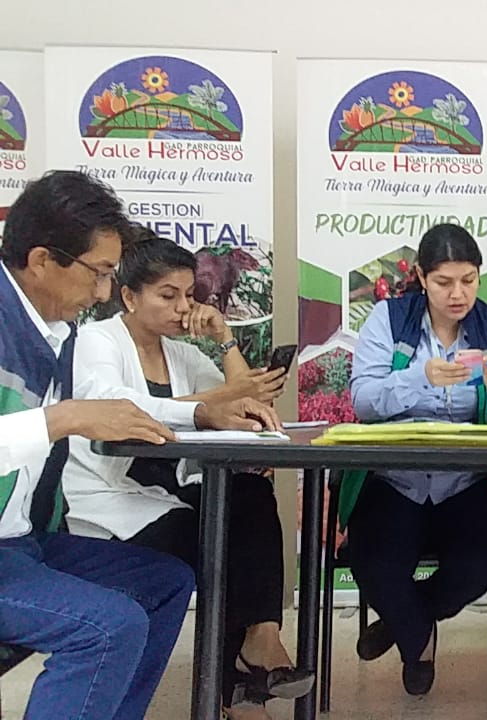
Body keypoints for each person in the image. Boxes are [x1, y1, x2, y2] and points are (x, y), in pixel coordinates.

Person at [0, 170, 268, 719]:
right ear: (42, 260)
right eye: (98, 273)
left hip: (22, 541)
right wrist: (62, 418)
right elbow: (85, 409)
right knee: (109, 627)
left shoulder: (58, 333)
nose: (101, 293)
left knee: (166, 581)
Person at [61, 226, 308, 718]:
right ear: (129, 297)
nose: (181, 308)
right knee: (214, 545)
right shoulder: (96, 340)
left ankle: (261, 639)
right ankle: (237, 687)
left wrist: (224, 338)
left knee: (250, 497)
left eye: (189, 296)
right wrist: (208, 407)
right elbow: (117, 403)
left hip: (170, 488)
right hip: (111, 497)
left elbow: (242, 395)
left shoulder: (181, 351)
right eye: (167, 295)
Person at [344, 222, 487, 696]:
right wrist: (419, 378)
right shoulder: (388, 320)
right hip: (395, 479)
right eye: (444, 282)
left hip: (468, 481)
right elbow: (364, 401)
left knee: (479, 568)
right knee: (375, 565)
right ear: (422, 278)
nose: (458, 294)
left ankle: (408, 621)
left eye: (468, 280)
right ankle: (418, 642)